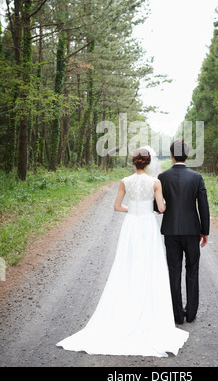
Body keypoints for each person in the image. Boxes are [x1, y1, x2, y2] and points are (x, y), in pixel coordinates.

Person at [56, 147, 189, 357]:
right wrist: (151, 208)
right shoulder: (155, 182)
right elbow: (161, 209)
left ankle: (126, 306)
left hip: (131, 226)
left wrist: (134, 209)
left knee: (127, 264)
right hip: (147, 225)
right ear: (147, 163)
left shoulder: (125, 181)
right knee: (149, 265)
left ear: (134, 163)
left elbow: (117, 206)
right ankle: (148, 309)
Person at [156, 139, 210, 325]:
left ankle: (177, 315)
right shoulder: (197, 177)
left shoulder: (162, 177)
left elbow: (157, 205)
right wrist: (205, 231)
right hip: (192, 231)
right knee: (192, 270)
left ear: (171, 156)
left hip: (170, 230)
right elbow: (203, 206)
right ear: (187, 155)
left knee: (174, 270)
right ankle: (191, 313)